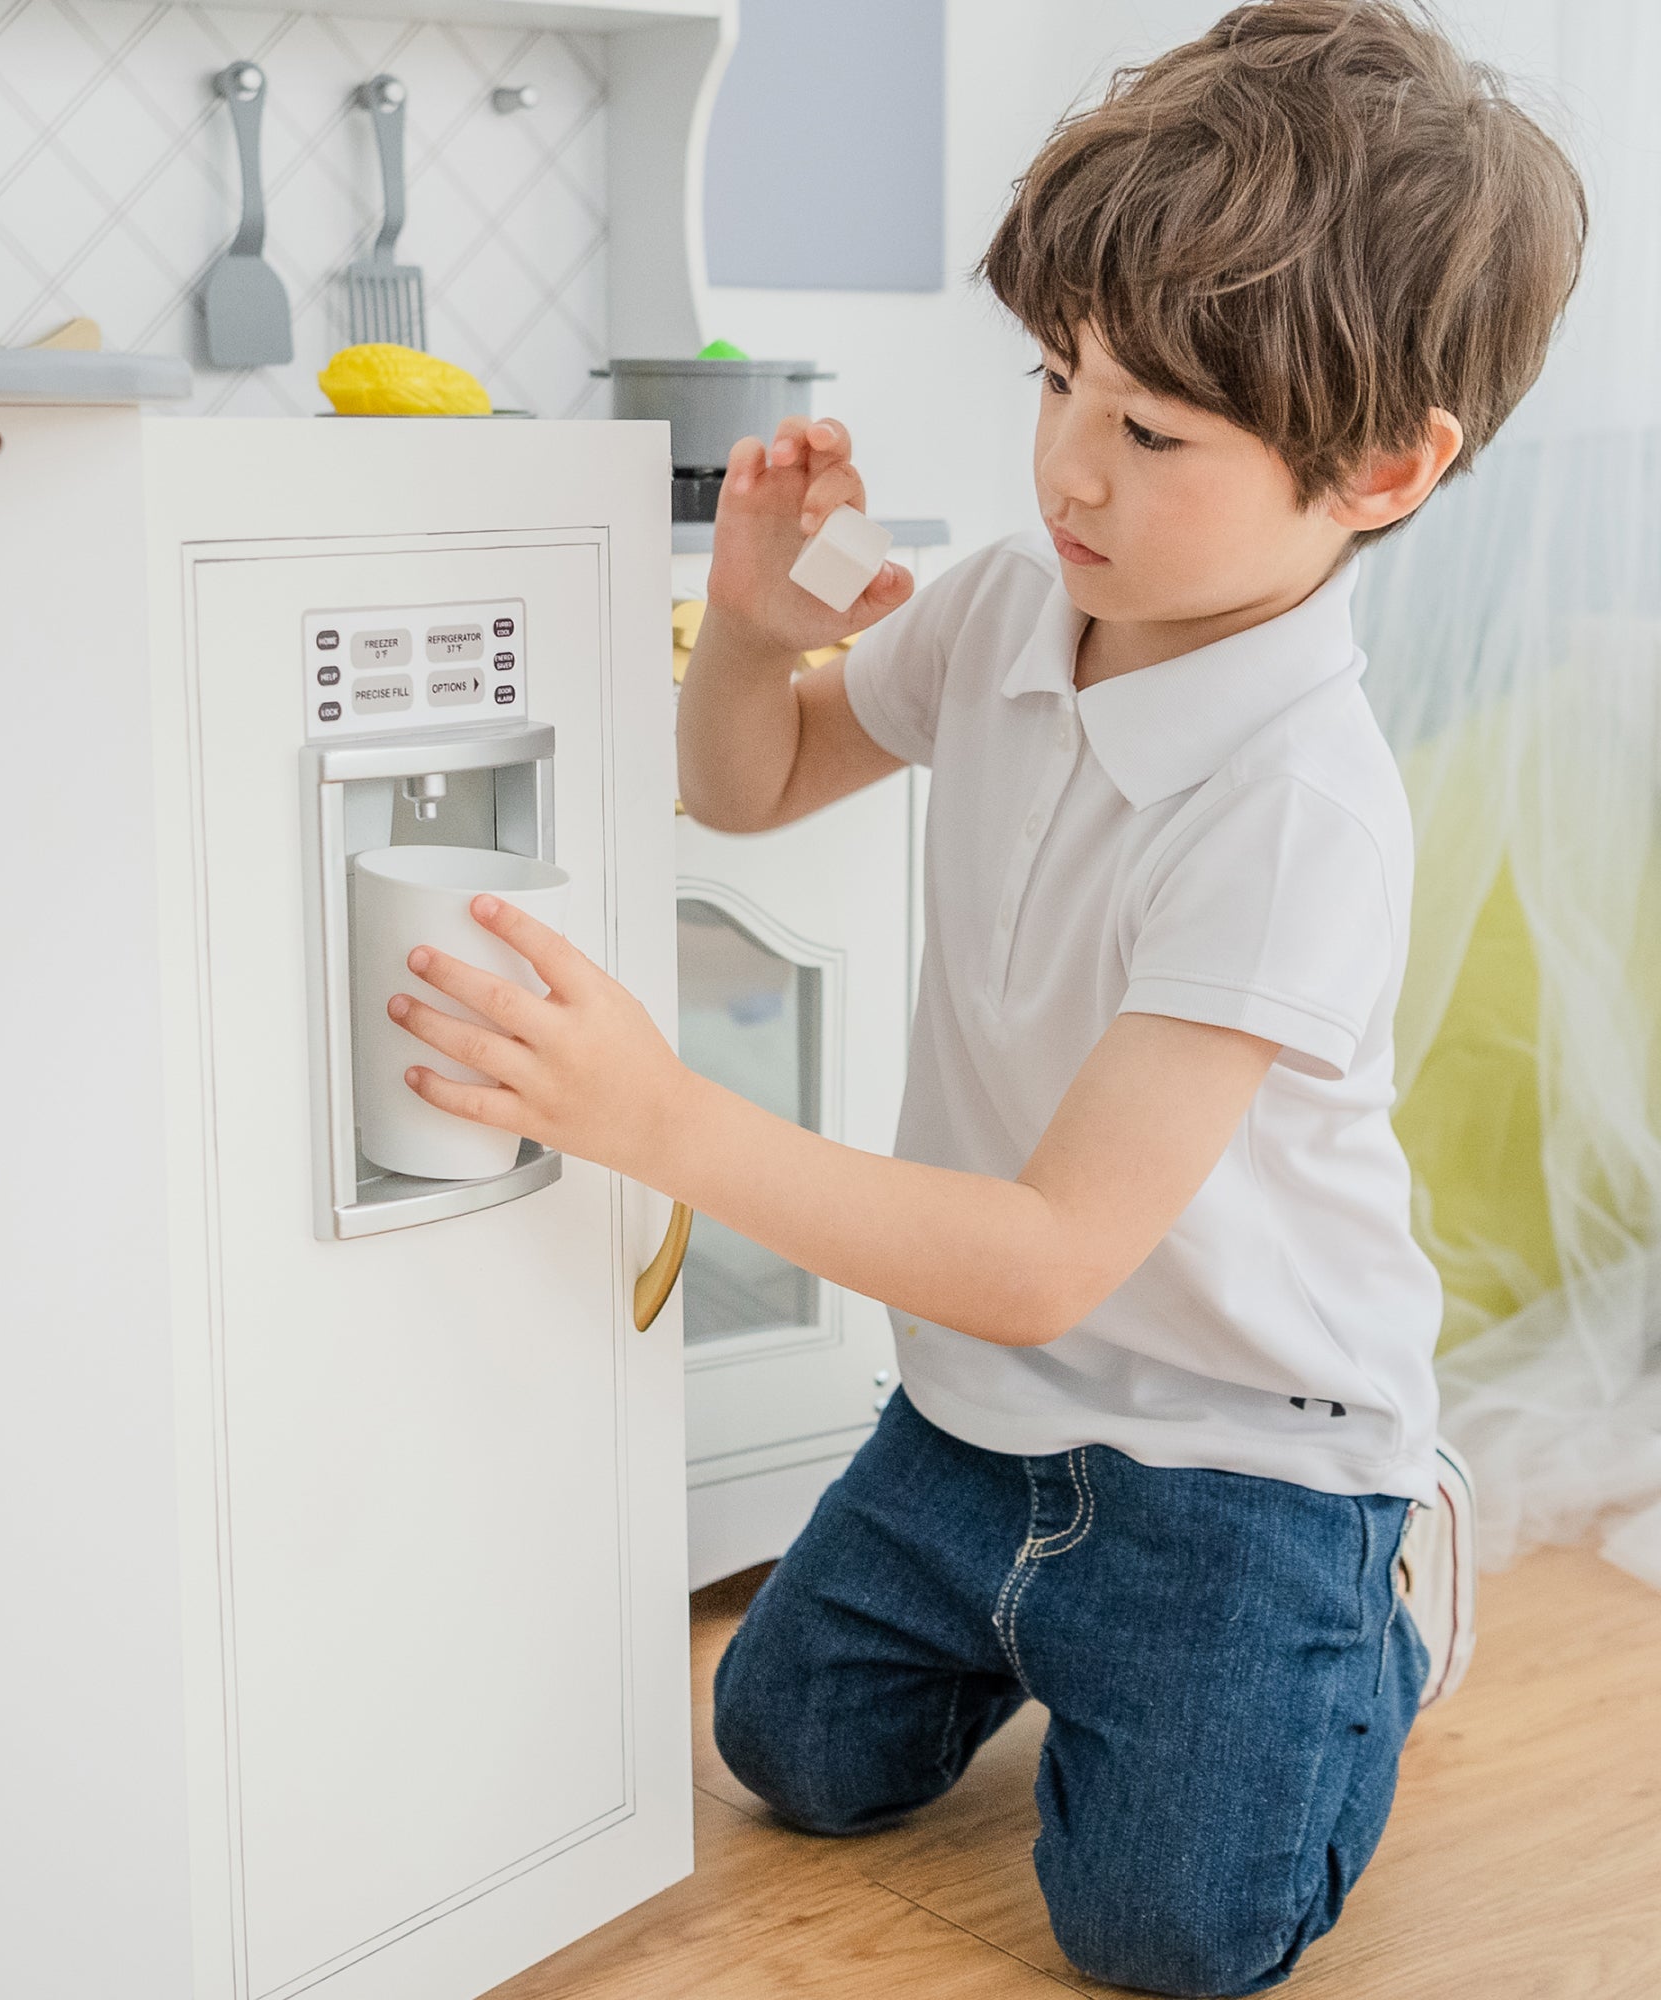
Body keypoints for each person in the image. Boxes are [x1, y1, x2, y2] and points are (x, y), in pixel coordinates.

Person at [383, 2, 1584, 1990]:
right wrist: (752, 628)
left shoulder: (1292, 806)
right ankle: (1069, 1648)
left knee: (1165, 1935)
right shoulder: (1025, 607)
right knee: (789, 1751)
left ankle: (1361, 1617)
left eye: (1150, 430)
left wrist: (660, 1118)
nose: (1064, 467)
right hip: (982, 1422)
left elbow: (1041, 1254)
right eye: (1055, 378)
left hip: (1235, 1459)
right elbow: (745, 778)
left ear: (1380, 469)